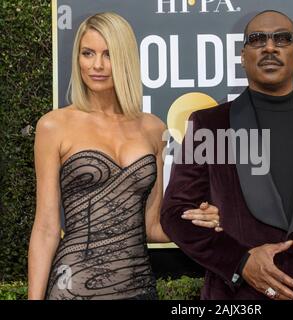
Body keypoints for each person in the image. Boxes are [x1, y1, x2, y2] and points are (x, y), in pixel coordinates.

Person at [160, 10, 293, 300]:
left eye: (282, 39)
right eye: (257, 39)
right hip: (237, 298)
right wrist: (240, 262)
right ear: (242, 55)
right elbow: (176, 213)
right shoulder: (209, 125)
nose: (270, 46)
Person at [27, 12, 221, 300]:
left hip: (139, 287)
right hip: (73, 288)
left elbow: (152, 226)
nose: (97, 65)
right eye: (87, 53)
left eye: (108, 54)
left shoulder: (153, 128)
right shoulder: (53, 126)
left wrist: (198, 219)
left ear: (125, 59)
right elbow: (46, 228)